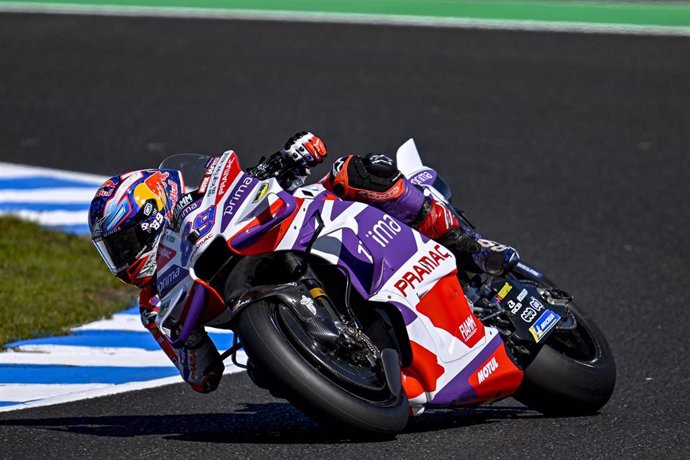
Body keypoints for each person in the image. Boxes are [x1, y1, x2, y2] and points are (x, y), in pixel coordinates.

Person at [88, 132, 518, 394]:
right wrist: (189, 342)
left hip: (306, 225)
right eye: (115, 252)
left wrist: (288, 158)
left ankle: (471, 245)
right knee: (263, 373)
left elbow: (263, 180)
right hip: (262, 310)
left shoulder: (205, 202)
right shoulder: (154, 304)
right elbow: (202, 376)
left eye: (125, 244)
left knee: (360, 171)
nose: (124, 260)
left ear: (150, 216)